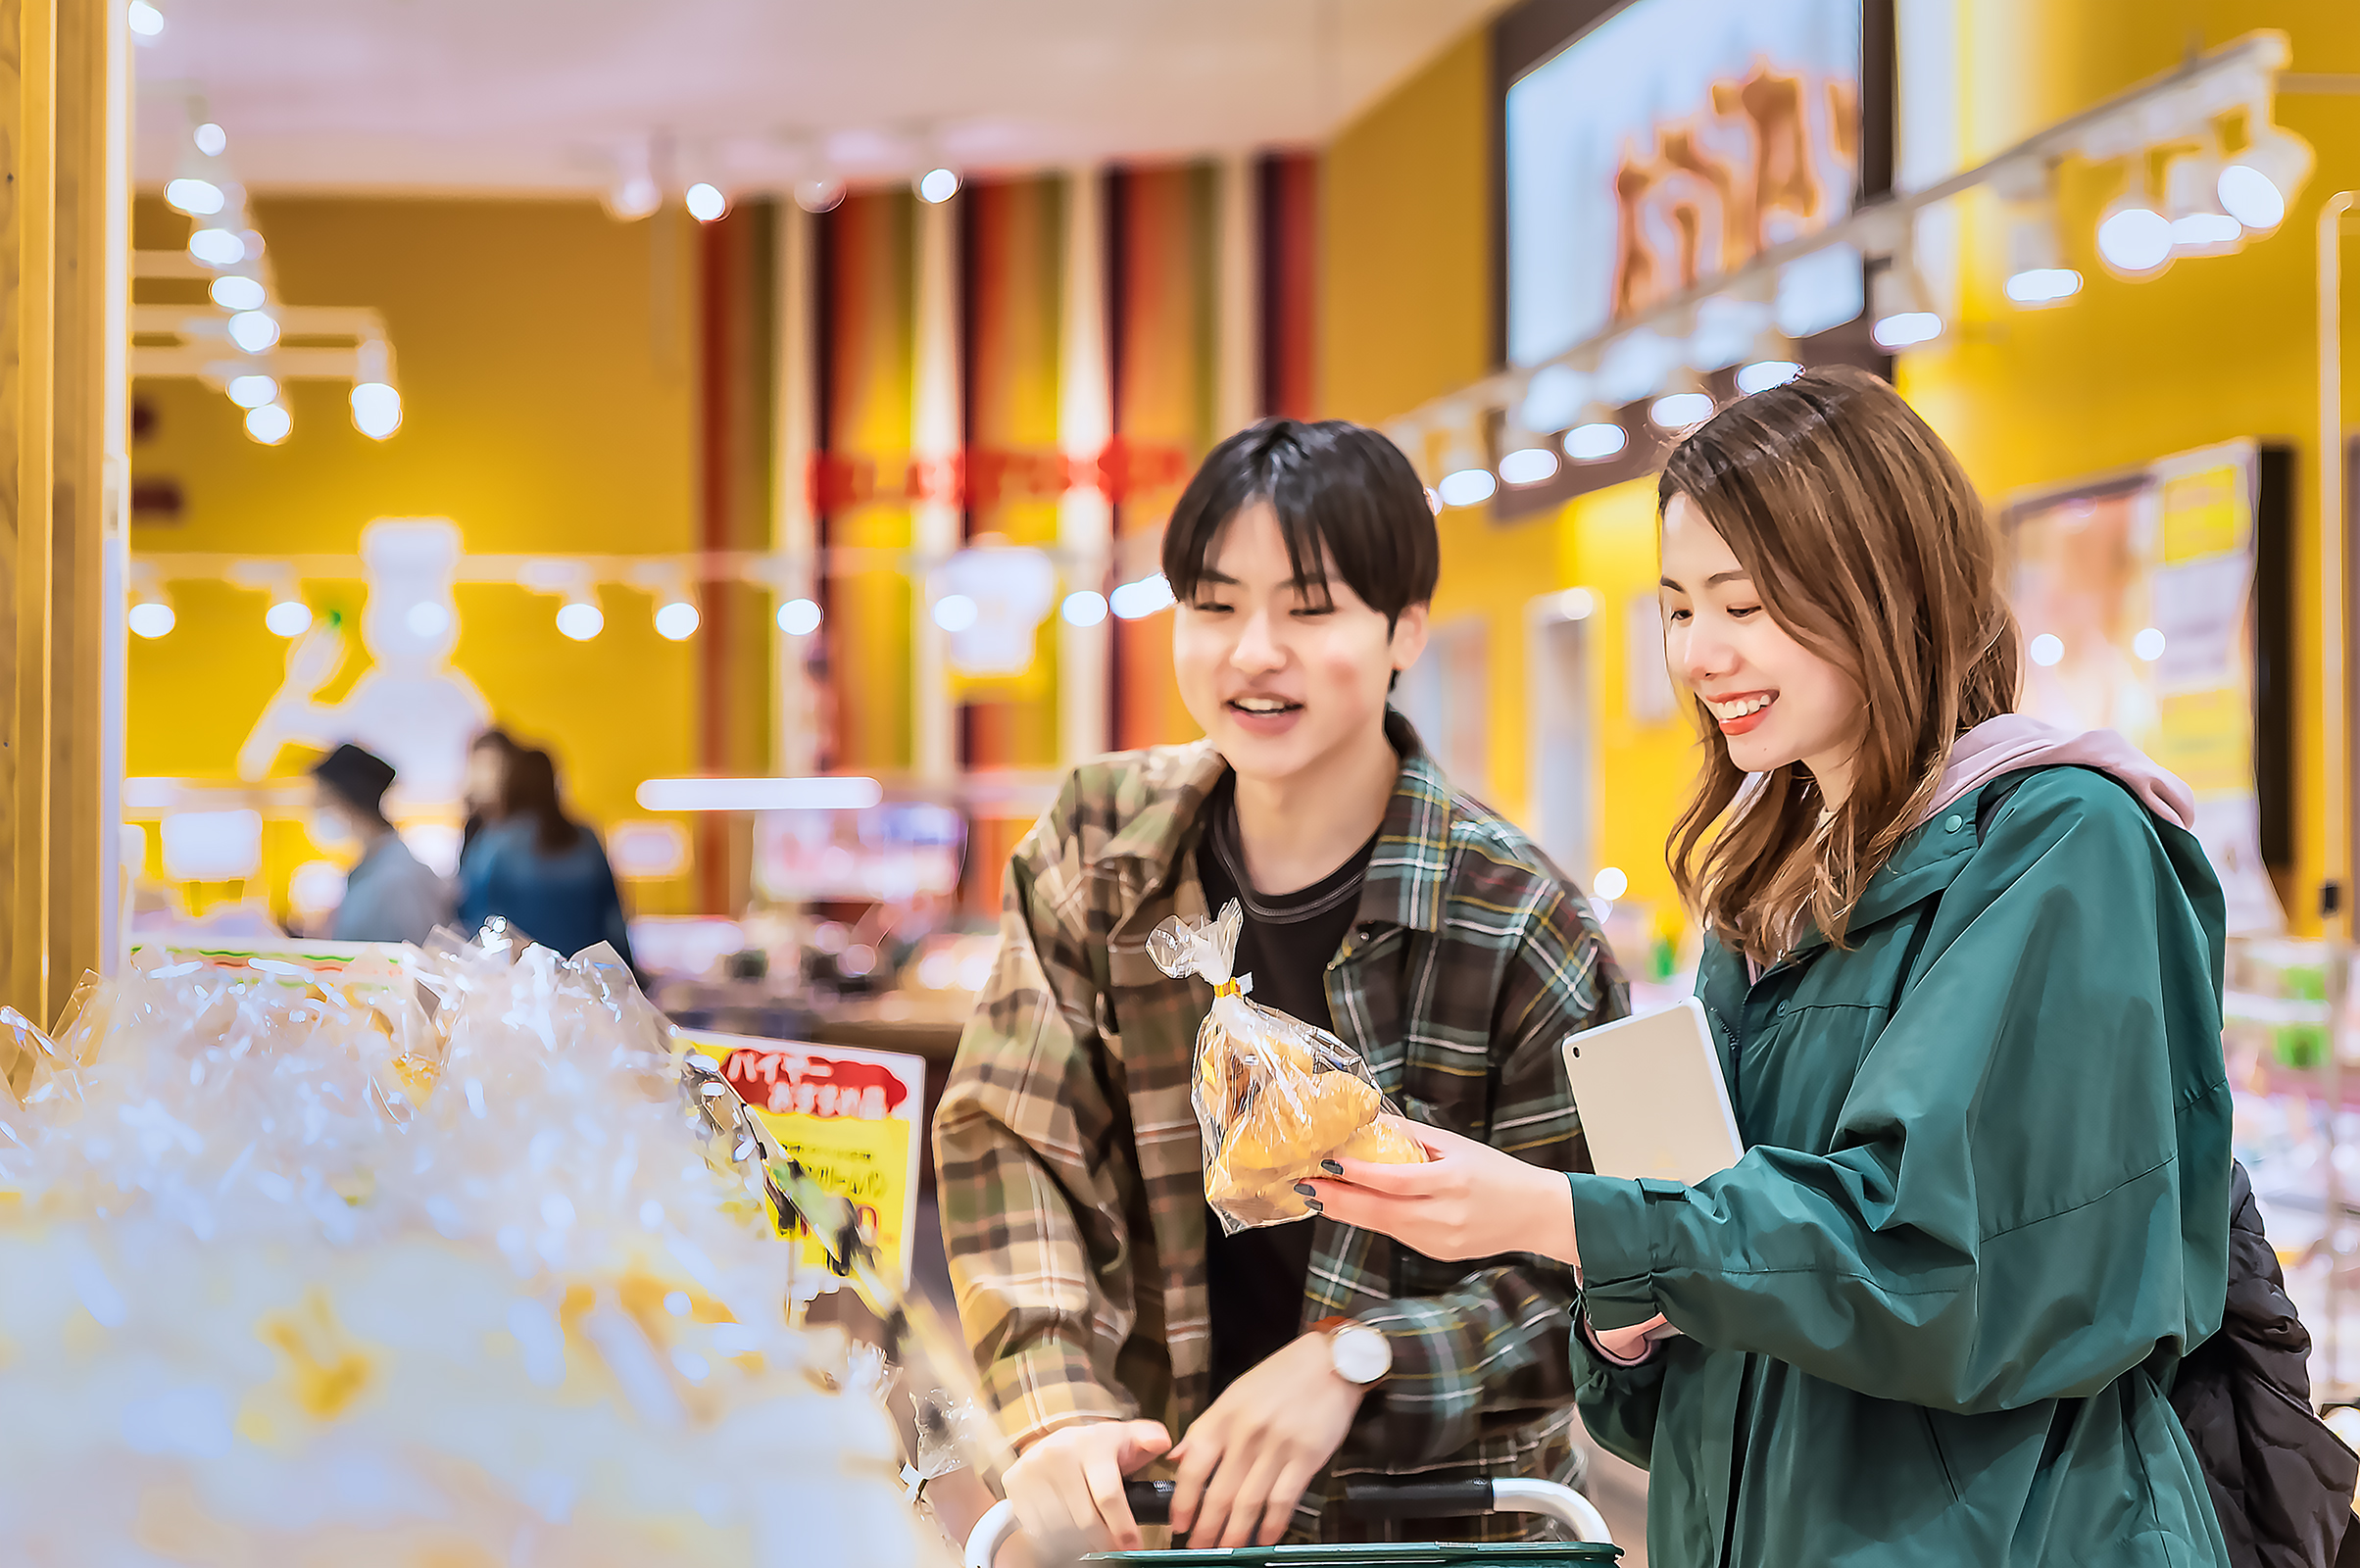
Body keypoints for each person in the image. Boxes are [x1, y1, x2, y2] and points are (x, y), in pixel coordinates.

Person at [1305, 368, 2233, 1567]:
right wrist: (1628, 1309)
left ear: (1887, 586)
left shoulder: (2062, 842)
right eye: (1678, 607)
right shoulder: (1770, 881)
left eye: (1744, 604)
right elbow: (1714, 1306)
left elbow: (1949, 1269)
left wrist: (1560, 1215)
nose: (1699, 653)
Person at [934, 418, 1626, 1554]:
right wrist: (1054, 1404)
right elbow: (1013, 1138)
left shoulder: (1513, 916)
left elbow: (1596, 1274)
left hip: (1429, 1531)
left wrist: (1363, 1356)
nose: (1252, 651)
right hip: (1156, 1519)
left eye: (1309, 609)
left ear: (1405, 627)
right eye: (1211, 605)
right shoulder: (1099, 846)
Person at [456, 747, 635, 965]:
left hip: (521, 978)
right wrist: (627, 970)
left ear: (511, 785)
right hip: (583, 976)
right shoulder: (585, 839)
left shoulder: (495, 844)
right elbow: (613, 918)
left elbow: (472, 914)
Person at [311, 742, 450, 946]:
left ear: (348, 802)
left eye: (322, 802)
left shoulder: (398, 878)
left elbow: (420, 966)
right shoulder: (369, 871)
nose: (316, 812)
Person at [461, 728, 520, 857]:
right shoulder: (474, 825)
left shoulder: (525, 826)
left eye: (492, 766)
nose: (484, 777)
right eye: (478, 767)